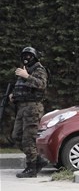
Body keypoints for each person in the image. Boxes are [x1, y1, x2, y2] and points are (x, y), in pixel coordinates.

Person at [10, 47, 49, 178]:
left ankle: (31, 168)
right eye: (24, 55)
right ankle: (38, 159)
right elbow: (22, 89)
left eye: (29, 56)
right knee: (16, 136)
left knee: (28, 139)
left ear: (34, 57)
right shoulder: (24, 70)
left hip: (33, 108)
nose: (26, 58)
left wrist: (26, 76)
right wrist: (13, 96)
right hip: (22, 108)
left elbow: (41, 84)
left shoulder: (39, 70)